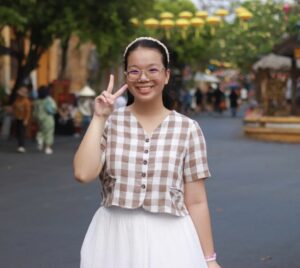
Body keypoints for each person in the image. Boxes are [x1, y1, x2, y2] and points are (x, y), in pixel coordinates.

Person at [73, 37, 221, 268]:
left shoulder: (188, 129)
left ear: (166, 75)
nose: (143, 78)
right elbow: (82, 173)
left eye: (152, 69)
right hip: (113, 241)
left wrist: (209, 260)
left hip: (172, 242)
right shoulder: (109, 123)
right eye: (134, 71)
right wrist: (99, 117)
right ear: (126, 76)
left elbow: (197, 201)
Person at [33, 85, 57, 154]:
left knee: (40, 131)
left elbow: (34, 112)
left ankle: (40, 140)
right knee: (49, 133)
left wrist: (34, 118)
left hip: (39, 119)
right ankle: (47, 148)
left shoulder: (37, 101)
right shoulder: (49, 99)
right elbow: (54, 109)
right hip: (48, 118)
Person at [12, 86, 31, 153]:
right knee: (18, 132)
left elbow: (28, 111)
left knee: (22, 132)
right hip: (17, 118)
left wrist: (26, 120)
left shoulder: (26, 101)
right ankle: (19, 145)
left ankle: (22, 146)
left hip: (23, 119)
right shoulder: (17, 100)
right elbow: (14, 106)